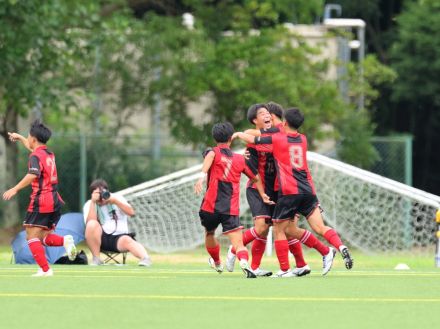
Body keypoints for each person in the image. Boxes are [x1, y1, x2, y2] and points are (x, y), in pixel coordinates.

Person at [233, 107, 354, 277]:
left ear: (284, 122)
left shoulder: (277, 139)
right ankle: (338, 247)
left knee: (278, 229)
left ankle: (284, 270)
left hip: (289, 191)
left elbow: (255, 139)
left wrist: (238, 134)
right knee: (318, 227)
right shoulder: (303, 139)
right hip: (309, 190)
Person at [194, 122, 273, 278]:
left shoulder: (213, 152)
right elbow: (256, 178)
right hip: (230, 208)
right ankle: (244, 262)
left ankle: (217, 262)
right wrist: (263, 194)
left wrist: (201, 177)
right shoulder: (240, 159)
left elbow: (209, 155)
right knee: (238, 243)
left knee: (209, 234)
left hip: (210, 206)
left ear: (214, 138)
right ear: (231, 138)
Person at [3, 120, 77, 277]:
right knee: (43, 237)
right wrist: (21, 138)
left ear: (34, 139)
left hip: (41, 200)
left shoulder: (35, 156)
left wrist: (15, 188)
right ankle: (64, 242)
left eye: (28, 136)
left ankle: (45, 269)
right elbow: (32, 149)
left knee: (31, 235)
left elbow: (33, 174)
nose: (28, 138)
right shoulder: (48, 154)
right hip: (55, 199)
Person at [83, 179, 152, 266]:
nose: (101, 197)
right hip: (100, 239)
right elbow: (90, 223)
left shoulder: (117, 198)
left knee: (128, 240)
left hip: (119, 238)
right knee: (92, 224)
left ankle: (145, 258)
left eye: (102, 193)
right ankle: (96, 259)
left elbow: (131, 213)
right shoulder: (89, 204)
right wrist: (93, 202)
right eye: (97, 194)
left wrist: (115, 201)